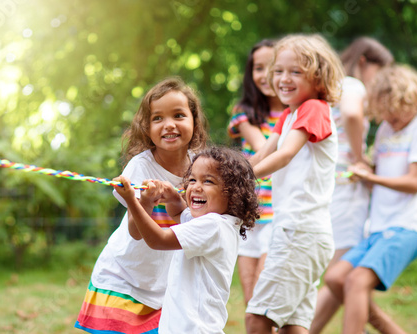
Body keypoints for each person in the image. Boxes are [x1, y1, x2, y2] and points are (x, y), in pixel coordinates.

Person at [75, 77, 208, 334]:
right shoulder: (141, 166)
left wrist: (176, 201)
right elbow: (136, 232)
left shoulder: (200, 165)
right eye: (157, 118)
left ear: (194, 121)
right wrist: (144, 202)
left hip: (166, 280)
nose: (168, 125)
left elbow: (198, 219)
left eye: (178, 115)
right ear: (146, 127)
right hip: (125, 275)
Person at [324, 64, 417, 334]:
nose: (389, 118)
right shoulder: (388, 129)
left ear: (410, 99)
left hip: (407, 226)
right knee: (336, 278)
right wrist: (363, 169)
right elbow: (376, 168)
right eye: (384, 112)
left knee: (356, 282)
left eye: (395, 111)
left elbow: (413, 183)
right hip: (378, 227)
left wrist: (372, 179)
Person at [245, 33, 344, 334]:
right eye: (279, 71)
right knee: (293, 325)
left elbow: (286, 154)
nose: (283, 79)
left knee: (256, 318)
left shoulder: (314, 107)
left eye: (295, 72)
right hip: (297, 232)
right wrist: (226, 175)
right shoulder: (289, 113)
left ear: (318, 79)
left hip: (300, 232)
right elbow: (263, 152)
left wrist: (245, 180)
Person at [113, 146, 260, 333]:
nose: (196, 187)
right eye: (192, 180)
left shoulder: (214, 226)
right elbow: (179, 213)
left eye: (208, 181)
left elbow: (157, 240)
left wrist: (133, 202)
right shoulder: (214, 223)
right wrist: (174, 198)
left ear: (232, 194)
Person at [310, 37, 394, 334]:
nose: (379, 81)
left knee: (338, 273)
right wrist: (361, 159)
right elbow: (353, 114)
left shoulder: (330, 90)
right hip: (346, 185)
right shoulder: (353, 85)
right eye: (379, 71)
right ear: (363, 62)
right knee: (341, 271)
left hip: (331, 185)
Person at [227, 39, 286, 305]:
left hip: (280, 215)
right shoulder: (244, 114)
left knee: (266, 296)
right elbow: (265, 148)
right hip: (249, 214)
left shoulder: (297, 113)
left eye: (272, 67)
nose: (264, 75)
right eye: (258, 68)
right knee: (252, 303)